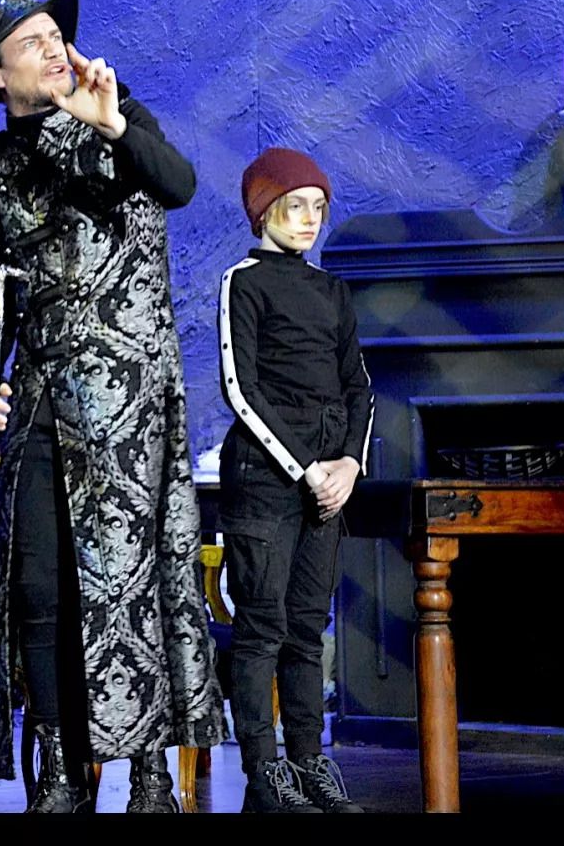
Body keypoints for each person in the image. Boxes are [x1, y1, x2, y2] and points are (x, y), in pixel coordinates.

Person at [0, 0, 224, 813]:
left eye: (56, 35)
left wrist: (112, 124)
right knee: (40, 587)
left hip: (130, 401)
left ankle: (149, 777)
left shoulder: (117, 111)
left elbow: (179, 184)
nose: (56, 49)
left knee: (134, 580)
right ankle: (58, 770)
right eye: (32, 43)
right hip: (41, 399)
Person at [216, 146, 373, 813]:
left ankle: (309, 762)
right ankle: (264, 773)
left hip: (328, 483)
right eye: (295, 206)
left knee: (306, 629)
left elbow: (358, 385)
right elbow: (241, 389)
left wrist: (349, 465)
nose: (310, 219)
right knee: (262, 628)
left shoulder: (332, 291)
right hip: (266, 481)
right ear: (264, 211)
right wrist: (306, 468)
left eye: (318, 207)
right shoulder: (243, 282)